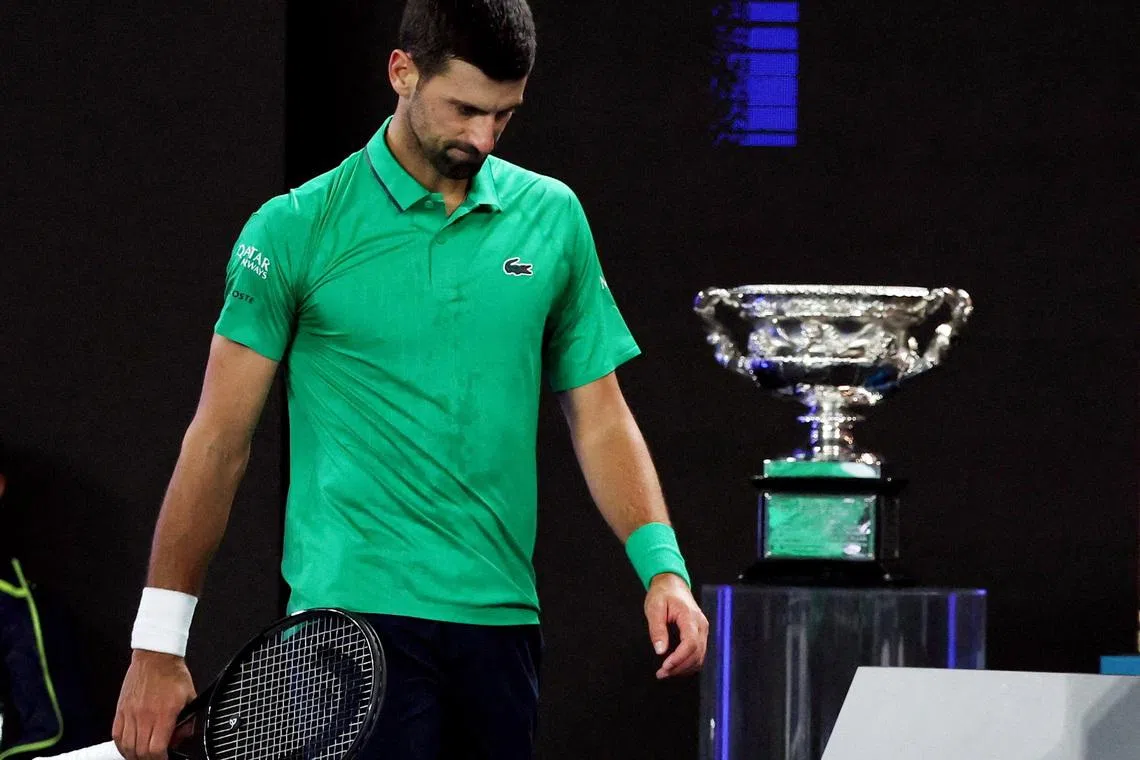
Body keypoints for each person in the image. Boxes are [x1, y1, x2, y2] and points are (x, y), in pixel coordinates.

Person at [111, 1, 708, 758]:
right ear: (402, 72)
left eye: (505, 115)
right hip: (352, 633)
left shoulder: (553, 218)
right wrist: (157, 645)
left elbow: (600, 416)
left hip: (503, 632)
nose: (484, 138)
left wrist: (663, 570)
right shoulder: (294, 228)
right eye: (465, 109)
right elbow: (220, 441)